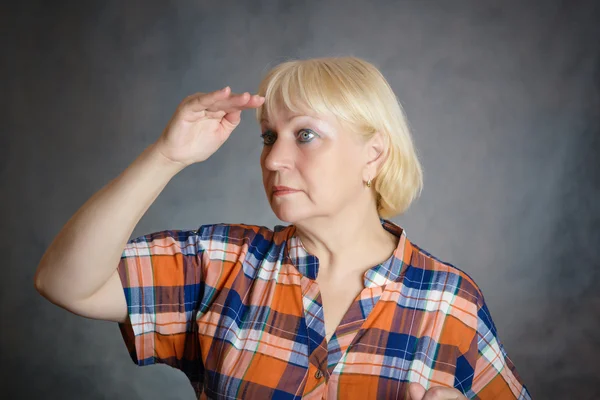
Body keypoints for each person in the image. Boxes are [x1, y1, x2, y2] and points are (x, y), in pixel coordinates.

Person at [34, 56, 531, 399]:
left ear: (373, 154)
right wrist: (165, 157)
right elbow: (64, 283)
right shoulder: (223, 262)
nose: (273, 159)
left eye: (305, 135)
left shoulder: (450, 304)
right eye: (269, 136)